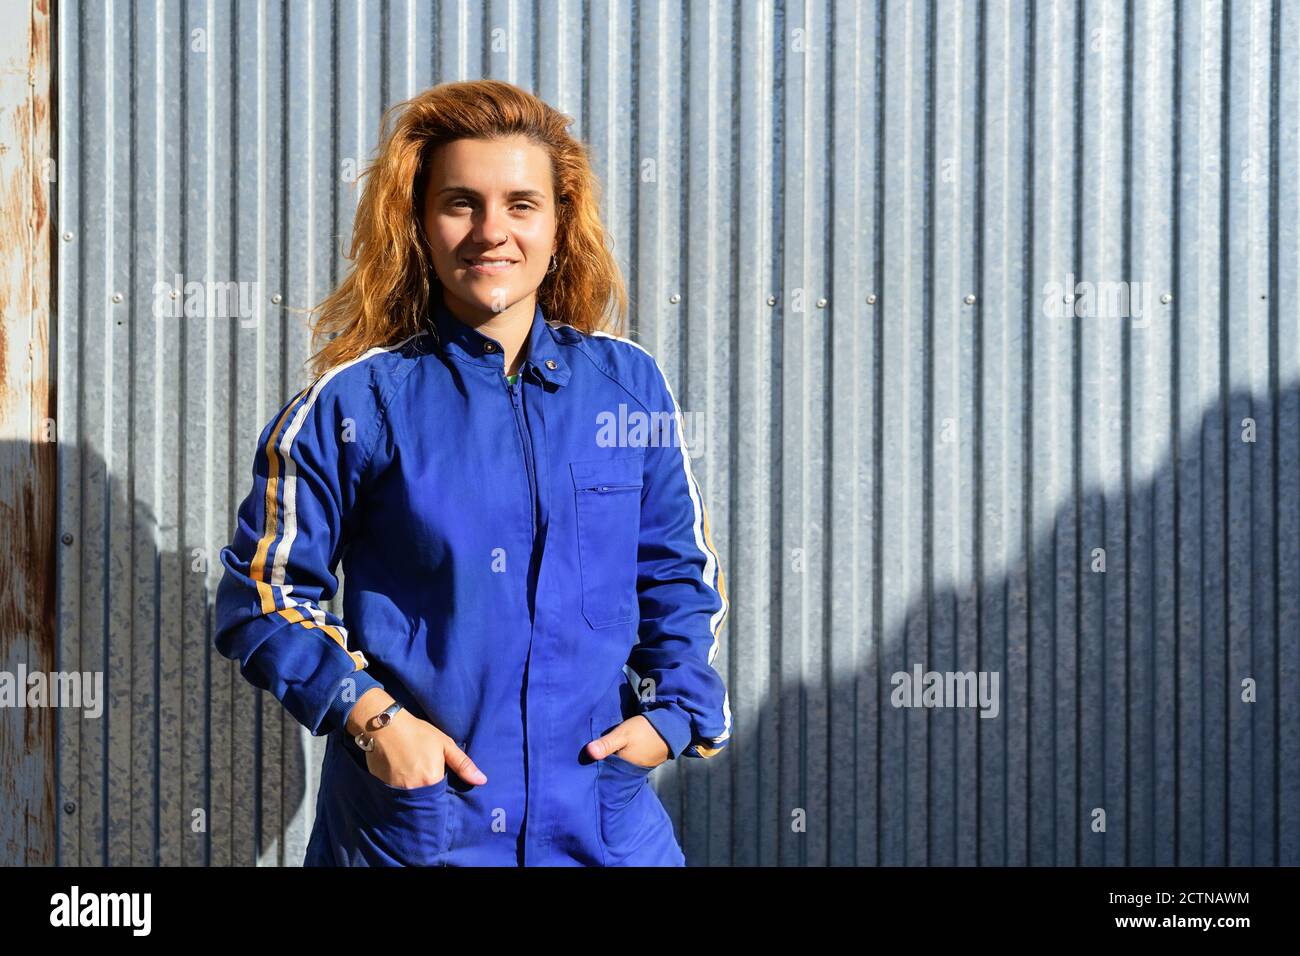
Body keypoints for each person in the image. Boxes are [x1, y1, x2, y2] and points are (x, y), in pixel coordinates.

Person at [212, 79, 731, 866]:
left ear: (560, 226)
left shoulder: (628, 388)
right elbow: (261, 597)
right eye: (462, 203)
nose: (493, 232)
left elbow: (675, 575)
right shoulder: (355, 403)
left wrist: (675, 716)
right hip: (416, 837)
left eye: (522, 204)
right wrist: (376, 721)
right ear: (419, 224)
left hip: (603, 827)